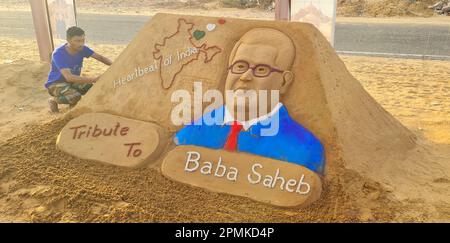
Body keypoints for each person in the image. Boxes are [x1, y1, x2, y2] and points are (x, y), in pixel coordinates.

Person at [174, 28, 325, 174]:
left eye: (261, 69)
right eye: (240, 66)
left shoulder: (303, 149)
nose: (245, 76)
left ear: (284, 82)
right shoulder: (191, 133)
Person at [45, 26, 112, 113]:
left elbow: (100, 57)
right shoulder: (58, 54)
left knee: (93, 89)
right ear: (68, 40)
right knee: (75, 97)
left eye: (83, 40)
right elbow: (69, 77)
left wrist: (115, 65)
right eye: (77, 41)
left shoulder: (82, 49)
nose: (81, 44)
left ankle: (72, 106)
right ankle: (53, 100)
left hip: (72, 82)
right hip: (56, 83)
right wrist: (94, 79)